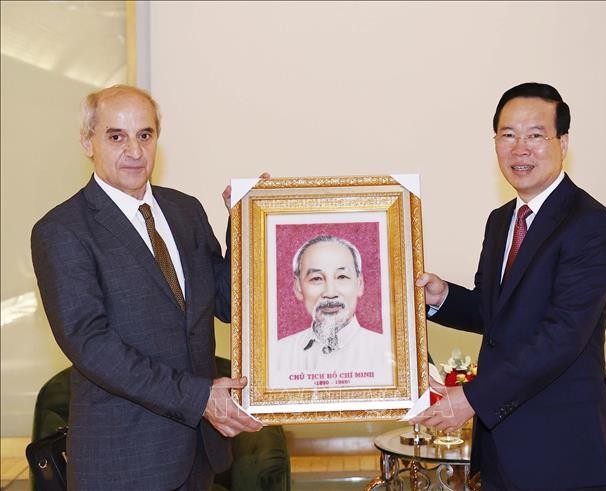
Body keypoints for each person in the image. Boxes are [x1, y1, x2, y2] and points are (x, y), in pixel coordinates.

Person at [31, 85, 262, 490]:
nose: (134, 151)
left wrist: (248, 225)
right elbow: (91, 344)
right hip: (124, 461)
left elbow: (226, 302)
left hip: (199, 455)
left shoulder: (185, 210)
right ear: (88, 142)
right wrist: (199, 398)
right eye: (116, 136)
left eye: (145, 134)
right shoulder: (62, 231)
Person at [412, 82, 606, 490]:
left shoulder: (592, 225)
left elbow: (561, 337)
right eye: (508, 135)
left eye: (535, 135)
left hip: (561, 454)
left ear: (563, 142)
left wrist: (472, 399)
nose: (520, 148)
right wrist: (441, 298)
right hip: (501, 450)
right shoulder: (501, 220)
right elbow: (495, 313)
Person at [272, 235, 393, 387]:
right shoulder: (276, 355)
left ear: (360, 284)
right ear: (298, 288)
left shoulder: (389, 352)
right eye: (316, 278)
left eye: (342, 276)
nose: (330, 293)